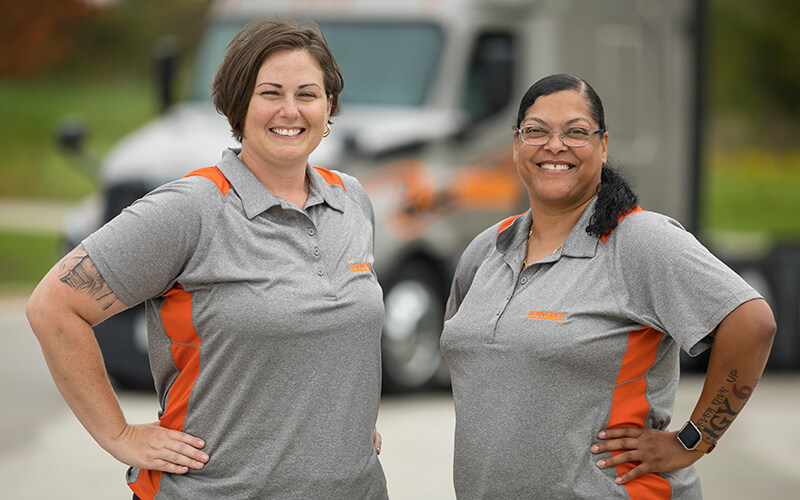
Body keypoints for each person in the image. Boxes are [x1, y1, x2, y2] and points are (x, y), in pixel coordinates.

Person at [26, 19, 389, 499]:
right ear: (237, 104)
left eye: (307, 94)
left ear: (329, 108)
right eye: (270, 93)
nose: (290, 110)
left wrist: (344, 421)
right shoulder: (191, 208)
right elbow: (53, 306)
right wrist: (118, 435)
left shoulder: (353, 200)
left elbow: (340, 334)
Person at [440, 73, 776, 499]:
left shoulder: (638, 241)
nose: (555, 146)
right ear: (516, 145)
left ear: (602, 146)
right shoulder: (486, 249)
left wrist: (693, 440)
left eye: (576, 132)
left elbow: (752, 322)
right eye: (536, 131)